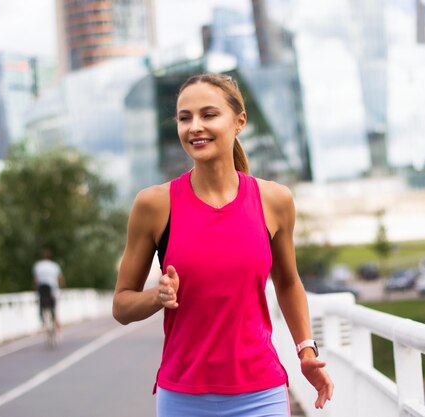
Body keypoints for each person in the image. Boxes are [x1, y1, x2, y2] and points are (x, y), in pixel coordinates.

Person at [113, 73, 334, 416]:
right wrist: (156, 297)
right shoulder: (154, 205)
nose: (194, 127)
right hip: (183, 398)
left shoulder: (274, 200)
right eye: (185, 118)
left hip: (261, 394)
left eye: (209, 115)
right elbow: (122, 305)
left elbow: (288, 283)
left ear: (239, 122)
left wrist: (306, 350)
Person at [33, 248, 65, 331]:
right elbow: (60, 278)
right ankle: (54, 316)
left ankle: (42, 319)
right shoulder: (54, 266)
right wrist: (62, 288)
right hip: (53, 288)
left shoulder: (38, 266)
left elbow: (36, 280)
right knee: (54, 306)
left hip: (42, 288)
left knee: (41, 303)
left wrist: (35, 290)